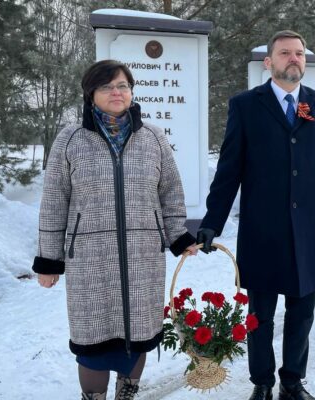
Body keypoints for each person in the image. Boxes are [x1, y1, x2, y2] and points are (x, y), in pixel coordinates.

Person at [33, 60, 198, 400]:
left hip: (143, 255)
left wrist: (177, 236)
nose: (116, 92)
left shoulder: (152, 137)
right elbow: (53, 202)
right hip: (90, 260)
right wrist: (49, 261)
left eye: (123, 85)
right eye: (107, 86)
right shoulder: (70, 139)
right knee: (93, 340)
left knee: (138, 332)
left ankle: (127, 392)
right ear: (91, 93)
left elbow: (170, 192)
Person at [196, 31, 315, 400]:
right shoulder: (246, 106)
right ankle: (262, 383)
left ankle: (292, 382)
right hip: (263, 231)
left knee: (302, 315)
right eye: (285, 53)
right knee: (259, 317)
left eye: (299, 53)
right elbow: (229, 170)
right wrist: (211, 222)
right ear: (269, 62)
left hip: (310, 232)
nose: (293, 59)